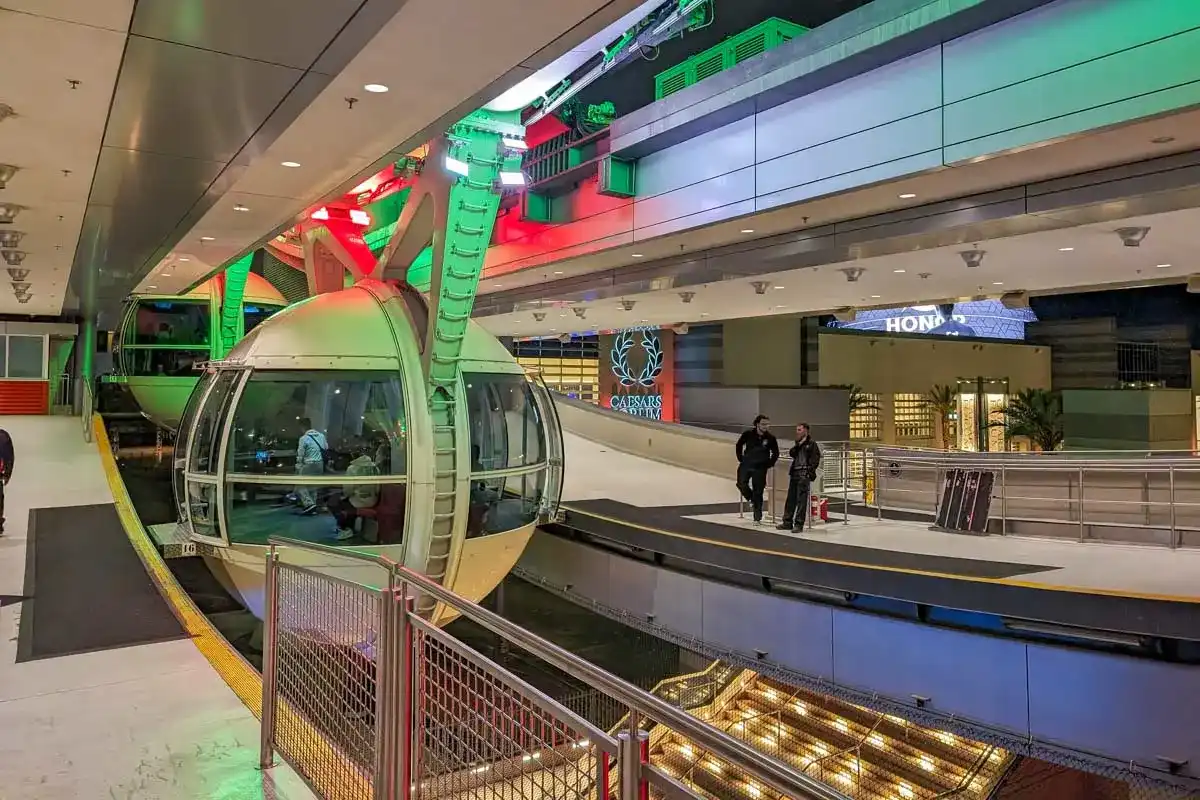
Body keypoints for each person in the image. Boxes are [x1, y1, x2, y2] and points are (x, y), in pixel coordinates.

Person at [735, 415, 779, 524]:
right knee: (741, 483)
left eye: (767, 424)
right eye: (763, 424)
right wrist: (740, 457)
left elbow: (775, 452)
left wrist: (770, 463)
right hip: (746, 464)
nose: (765, 426)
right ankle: (751, 499)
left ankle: (757, 517)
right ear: (757, 424)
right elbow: (739, 445)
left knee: (758, 491)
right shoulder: (748, 434)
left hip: (760, 467)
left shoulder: (770, 438)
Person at [778, 423, 822, 532]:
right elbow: (792, 453)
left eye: (799, 430)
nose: (797, 432)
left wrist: (809, 471)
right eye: (797, 430)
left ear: (805, 431)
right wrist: (798, 445)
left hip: (804, 474)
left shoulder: (812, 444)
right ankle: (787, 522)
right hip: (795, 473)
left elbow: (815, 459)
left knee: (801, 501)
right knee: (791, 499)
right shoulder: (798, 444)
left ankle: (799, 524)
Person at [295, 417, 328, 515]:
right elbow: (326, 447)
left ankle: (309, 504)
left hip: (309, 464)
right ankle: (313, 506)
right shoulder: (321, 436)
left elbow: (300, 454)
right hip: (320, 464)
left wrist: (298, 466)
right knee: (313, 486)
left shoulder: (304, 438)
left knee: (299, 484)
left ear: (302, 426)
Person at [0, 427, 12, 534]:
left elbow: (9, 457)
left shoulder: (3, 437)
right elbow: (10, 458)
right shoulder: (4, 436)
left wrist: (7, 474)